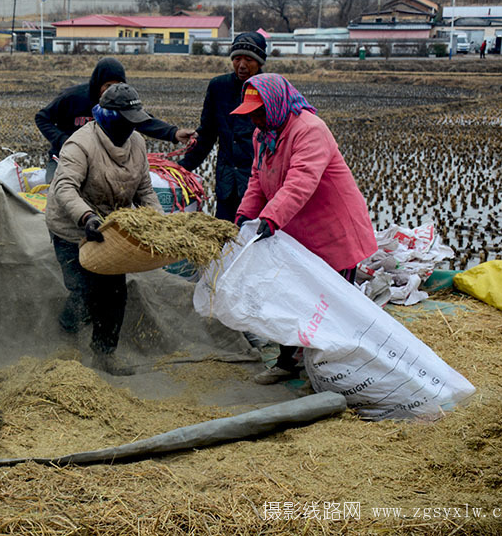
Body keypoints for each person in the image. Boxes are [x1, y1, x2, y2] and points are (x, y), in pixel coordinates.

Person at [230, 74, 376, 385]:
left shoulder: (310, 130)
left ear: (275, 104)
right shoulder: (263, 135)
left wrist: (270, 219)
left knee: (332, 304)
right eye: (251, 113)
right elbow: (258, 179)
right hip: (296, 230)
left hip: (333, 231)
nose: (254, 119)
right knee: (289, 296)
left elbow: (301, 181)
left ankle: (331, 372)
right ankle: (287, 362)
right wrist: (244, 216)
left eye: (259, 111)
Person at [45, 83, 164, 376]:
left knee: (114, 293)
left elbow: (145, 190)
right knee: (83, 291)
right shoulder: (80, 144)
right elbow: (64, 187)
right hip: (73, 227)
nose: (131, 127)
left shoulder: (137, 144)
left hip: (110, 229)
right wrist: (86, 217)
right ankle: (66, 331)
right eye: (126, 120)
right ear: (110, 118)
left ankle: (104, 353)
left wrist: (161, 222)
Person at [35, 57, 195, 183]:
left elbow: (143, 121)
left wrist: (174, 133)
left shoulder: (119, 100)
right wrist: (63, 140)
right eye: (108, 85)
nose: (112, 90)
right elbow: (42, 118)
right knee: (57, 189)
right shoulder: (72, 97)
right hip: (65, 157)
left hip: (100, 160)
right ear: (98, 84)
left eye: (118, 85)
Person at [178, 31, 267, 221]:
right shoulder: (219, 87)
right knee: (225, 238)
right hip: (227, 183)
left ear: (259, 62)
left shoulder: (269, 89)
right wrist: (182, 168)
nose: (242, 65)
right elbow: (207, 134)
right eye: (237, 58)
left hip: (257, 184)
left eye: (249, 60)